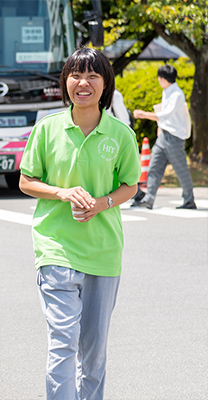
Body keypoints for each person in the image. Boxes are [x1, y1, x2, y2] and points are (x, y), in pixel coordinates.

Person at [19, 48, 141, 400]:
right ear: (65, 82)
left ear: (106, 86)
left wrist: (102, 204)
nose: (82, 83)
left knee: (94, 349)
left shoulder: (121, 135)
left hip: (103, 251)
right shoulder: (47, 129)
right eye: (75, 75)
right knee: (63, 340)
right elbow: (27, 181)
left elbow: (130, 185)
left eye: (92, 76)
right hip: (55, 247)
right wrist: (62, 192)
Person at [132, 64, 196, 209]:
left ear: (162, 78)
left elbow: (165, 114)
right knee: (154, 166)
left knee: (181, 169)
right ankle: (148, 199)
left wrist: (143, 114)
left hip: (174, 137)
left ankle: (189, 200)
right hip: (164, 135)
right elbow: (164, 117)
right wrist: (160, 129)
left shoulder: (176, 94)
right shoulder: (167, 91)